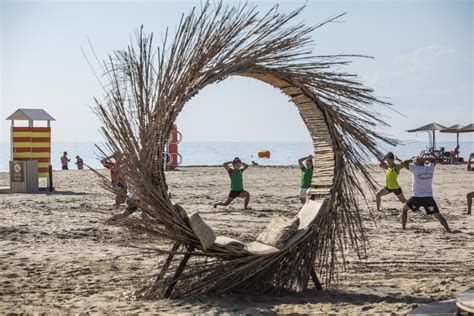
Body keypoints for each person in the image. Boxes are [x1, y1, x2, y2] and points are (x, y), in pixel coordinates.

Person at [400, 157, 451, 232]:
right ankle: (448, 230)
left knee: (404, 209)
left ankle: (403, 228)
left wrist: (413, 159)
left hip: (417, 197)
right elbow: (434, 160)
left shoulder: (415, 168)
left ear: (417, 163)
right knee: (437, 215)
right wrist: (425, 159)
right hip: (428, 197)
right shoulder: (430, 168)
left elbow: (403, 162)